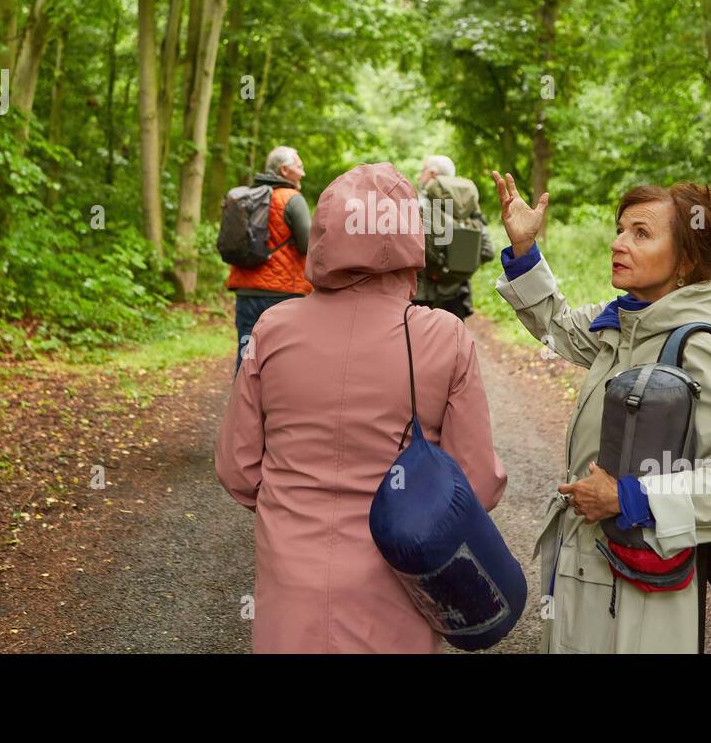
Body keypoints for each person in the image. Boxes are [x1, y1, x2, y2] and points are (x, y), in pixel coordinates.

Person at [216, 162, 508, 653]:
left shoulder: (272, 328)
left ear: (327, 232)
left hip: (292, 582)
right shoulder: (443, 336)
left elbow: (237, 469)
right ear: (410, 237)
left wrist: (293, 506)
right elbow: (477, 482)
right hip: (396, 582)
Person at [489, 170, 711, 654]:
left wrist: (628, 497)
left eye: (641, 234)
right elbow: (555, 324)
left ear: (684, 260)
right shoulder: (623, 324)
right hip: (589, 568)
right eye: (620, 229)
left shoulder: (696, 346)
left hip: (644, 591)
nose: (619, 243)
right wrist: (525, 249)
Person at [226, 146, 311, 374]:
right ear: (284, 170)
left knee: (247, 356)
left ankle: (242, 407)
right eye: (299, 167)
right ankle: (279, 408)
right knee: (283, 359)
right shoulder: (292, 199)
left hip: (246, 293)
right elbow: (307, 245)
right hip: (283, 294)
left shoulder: (247, 197)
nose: (303, 173)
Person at [412, 155, 495, 321]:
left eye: (422, 171)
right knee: (453, 344)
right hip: (458, 295)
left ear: (433, 173)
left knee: (418, 346)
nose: (419, 176)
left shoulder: (420, 202)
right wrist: (457, 269)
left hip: (422, 296)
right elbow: (487, 251)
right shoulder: (470, 202)